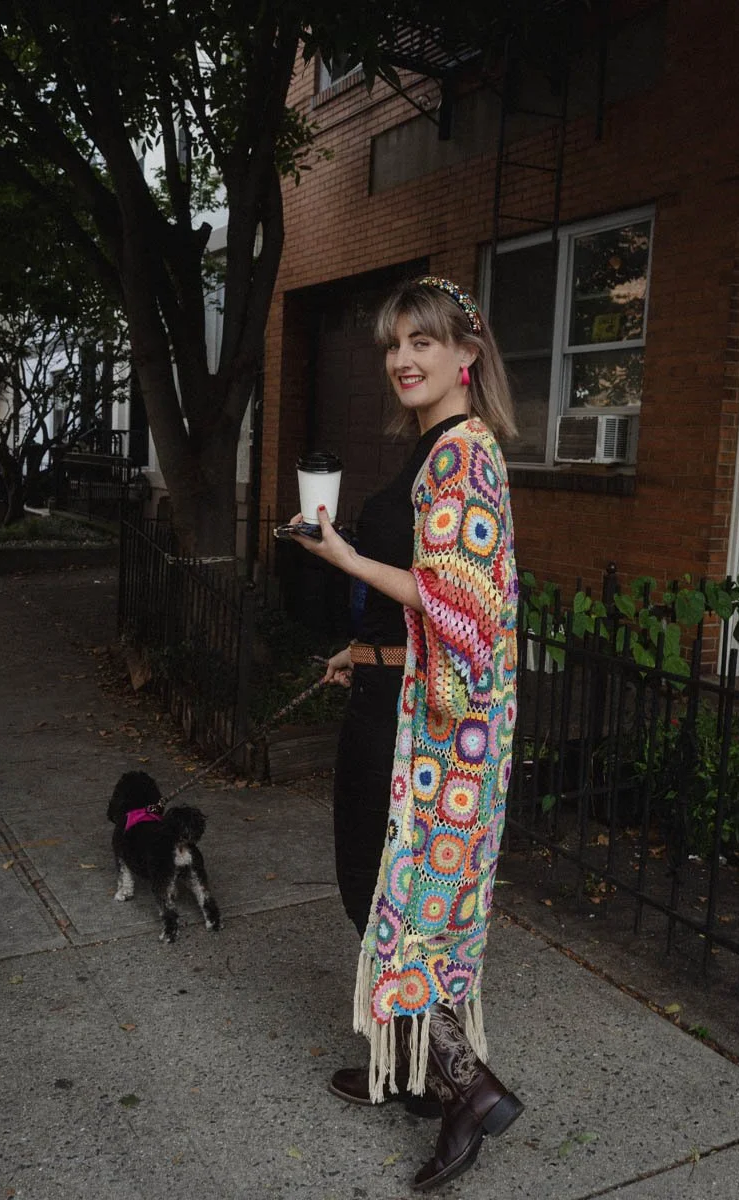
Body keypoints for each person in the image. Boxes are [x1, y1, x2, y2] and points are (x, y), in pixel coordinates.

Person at [288, 276, 522, 1192]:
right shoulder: (437, 449)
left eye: (422, 342)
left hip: (422, 736)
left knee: (384, 895)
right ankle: (417, 1075)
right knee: (391, 897)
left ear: (466, 355)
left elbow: (460, 605)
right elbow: (433, 600)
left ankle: (468, 1087)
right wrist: (364, 650)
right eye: (394, 345)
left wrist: (343, 555)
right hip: (397, 696)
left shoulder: (462, 453)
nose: (403, 360)